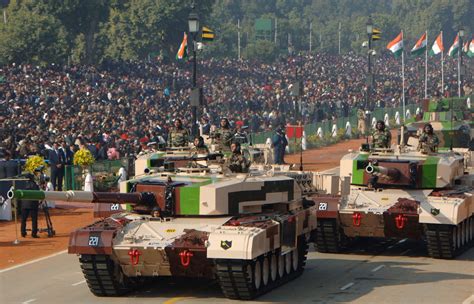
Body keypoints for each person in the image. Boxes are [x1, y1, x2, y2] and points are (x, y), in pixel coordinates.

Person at [20, 173, 40, 238]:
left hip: (24, 205)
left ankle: (23, 232)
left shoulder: (22, 185)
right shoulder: (34, 185)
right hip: (33, 205)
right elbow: (38, 194)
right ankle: (34, 234)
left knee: (23, 219)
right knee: (34, 220)